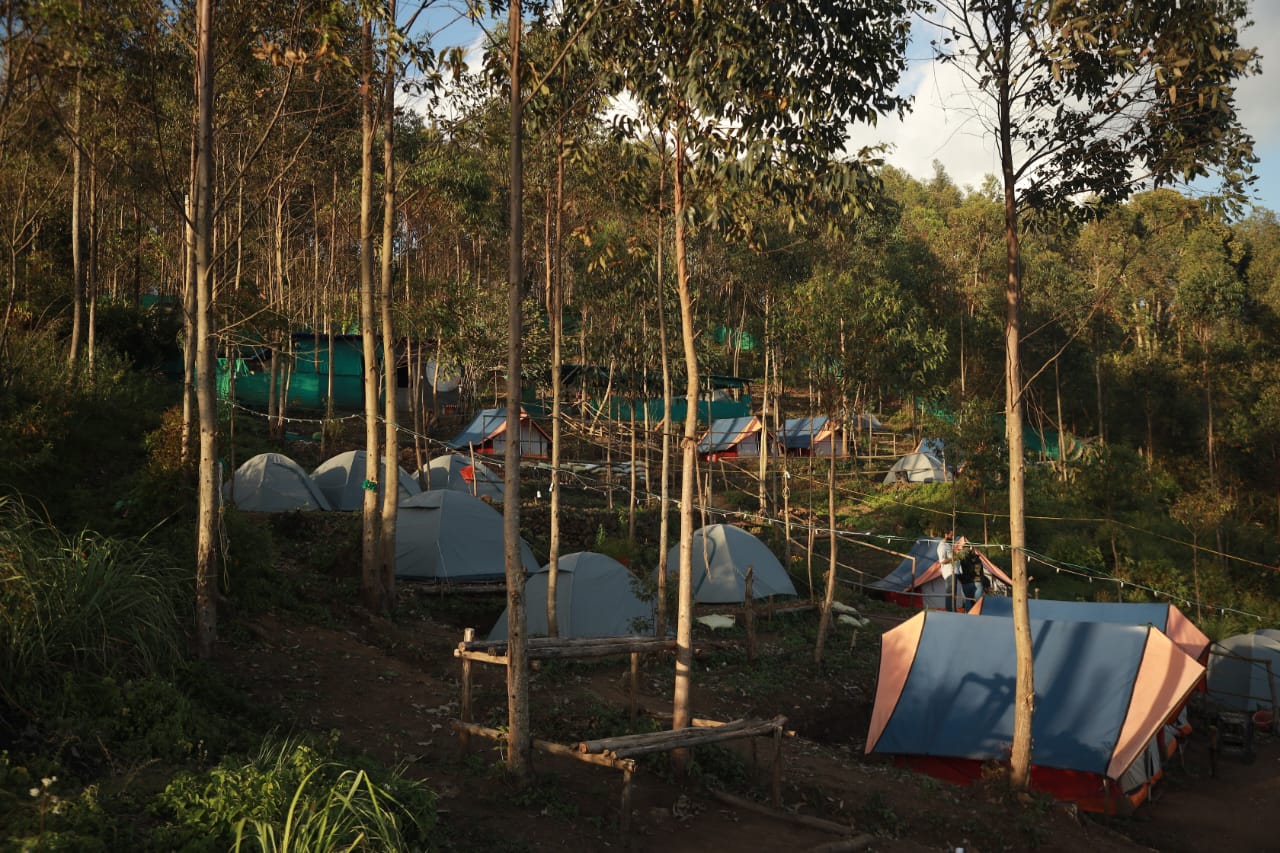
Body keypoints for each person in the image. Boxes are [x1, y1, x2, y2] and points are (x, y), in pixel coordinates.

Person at [936, 531, 956, 610]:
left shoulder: (948, 545)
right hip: (949, 573)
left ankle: (952, 610)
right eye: (951, 534)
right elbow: (942, 560)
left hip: (953, 572)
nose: (953, 536)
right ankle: (950, 611)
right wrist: (954, 558)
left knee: (953, 594)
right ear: (946, 535)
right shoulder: (942, 546)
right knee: (950, 593)